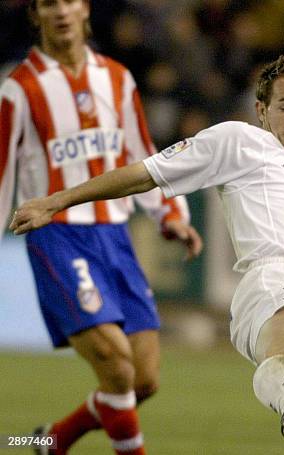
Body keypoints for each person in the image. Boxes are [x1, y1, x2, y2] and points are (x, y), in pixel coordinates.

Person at [10, 52, 284, 453]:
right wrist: (56, 201)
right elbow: (142, 175)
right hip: (276, 283)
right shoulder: (238, 143)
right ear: (261, 109)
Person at [0, 1, 202, 454]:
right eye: (48, 2)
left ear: (85, 8)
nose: (60, 11)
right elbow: (1, 173)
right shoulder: (18, 88)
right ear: (36, 15)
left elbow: (141, 154)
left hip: (115, 234)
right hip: (58, 236)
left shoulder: (117, 78)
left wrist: (169, 214)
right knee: (116, 365)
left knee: (143, 380)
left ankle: (52, 440)